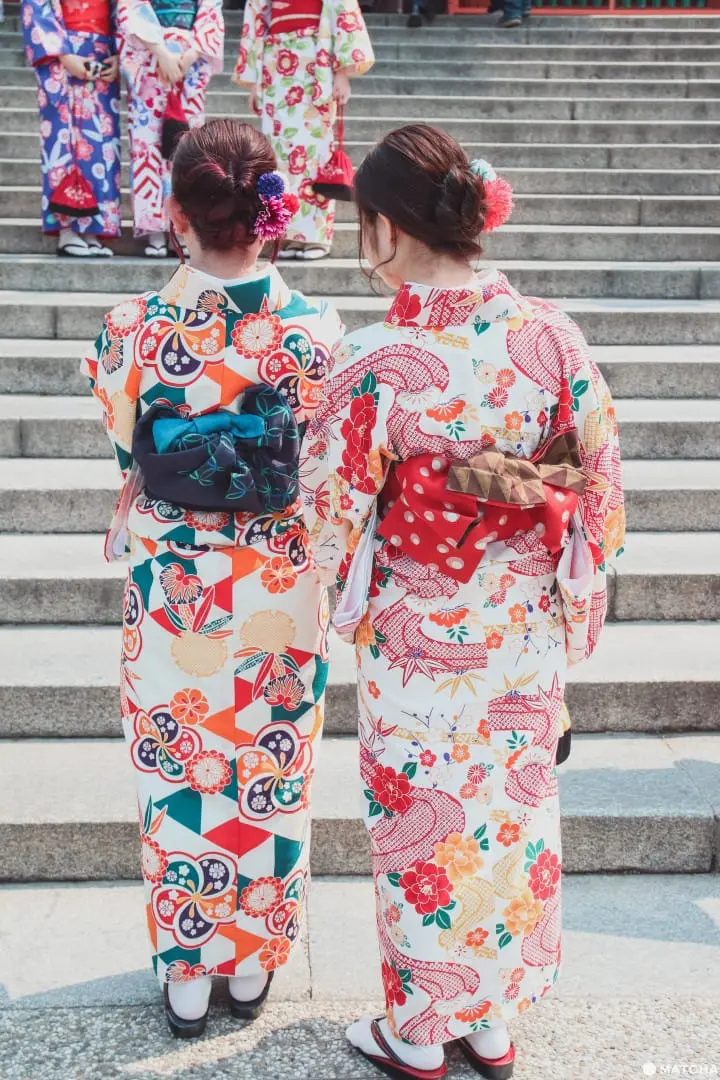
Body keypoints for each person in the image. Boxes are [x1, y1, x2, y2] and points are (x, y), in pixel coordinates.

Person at [300, 124, 624, 1079]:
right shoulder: (550, 336)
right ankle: (492, 1020)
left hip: (415, 633)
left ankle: (419, 1032)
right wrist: (569, 597)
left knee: (425, 816)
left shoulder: (370, 358)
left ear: (386, 231)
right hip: (521, 630)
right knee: (510, 814)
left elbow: (329, 514)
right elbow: (599, 484)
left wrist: (347, 593)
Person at [83, 118, 344, 1037]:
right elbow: (324, 462)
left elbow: (128, 445)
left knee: (181, 765)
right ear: (271, 211)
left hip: (178, 583)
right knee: (272, 764)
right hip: (280, 579)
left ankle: (188, 971)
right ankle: (253, 964)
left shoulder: (133, 328)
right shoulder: (317, 328)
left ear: (173, 210)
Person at [233, 0, 374, 260]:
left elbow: (341, 9)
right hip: (275, 63)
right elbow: (257, 14)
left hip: (314, 62)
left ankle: (316, 235)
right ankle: (286, 231)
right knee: (278, 154)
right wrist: (254, 81)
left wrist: (341, 73)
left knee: (314, 152)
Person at [117, 0, 224, 257]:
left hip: (190, 62)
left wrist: (190, 56)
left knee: (189, 149)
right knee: (147, 147)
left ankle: (186, 228)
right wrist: (160, 53)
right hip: (149, 59)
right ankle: (154, 229)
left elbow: (211, 12)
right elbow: (130, 10)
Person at [21, 0, 121, 257]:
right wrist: (64, 56)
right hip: (63, 54)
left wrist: (121, 55)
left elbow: (124, 11)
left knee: (100, 145)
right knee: (64, 141)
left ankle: (91, 229)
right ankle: (67, 231)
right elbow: (37, 9)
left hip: (102, 52)